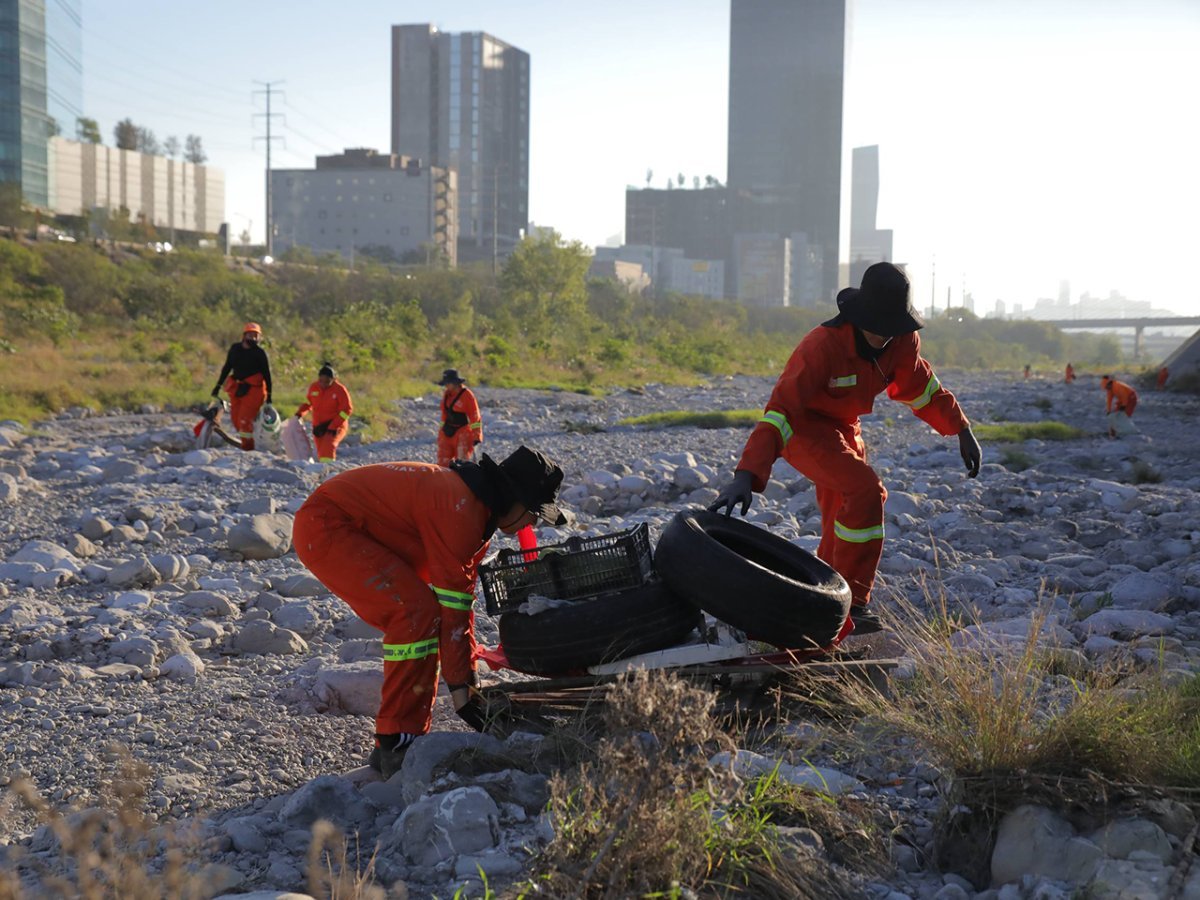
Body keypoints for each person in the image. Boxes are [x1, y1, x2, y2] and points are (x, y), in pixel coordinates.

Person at [710, 262, 981, 637]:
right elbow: (781, 412)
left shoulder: (902, 341)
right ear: (860, 316)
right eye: (878, 326)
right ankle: (853, 606)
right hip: (804, 428)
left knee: (844, 511)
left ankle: (825, 599)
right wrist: (746, 475)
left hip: (845, 427)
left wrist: (960, 427)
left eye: (891, 327)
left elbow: (920, 386)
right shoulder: (820, 346)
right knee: (866, 491)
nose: (884, 336)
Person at [292, 446, 568, 778]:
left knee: (422, 613)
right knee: (414, 614)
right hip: (327, 526)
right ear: (515, 498)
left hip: (347, 525)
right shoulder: (460, 510)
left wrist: (467, 684)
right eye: (535, 512)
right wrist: (464, 694)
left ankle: (400, 736)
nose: (534, 522)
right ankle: (395, 740)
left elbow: (459, 607)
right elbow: (453, 615)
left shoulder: (474, 508)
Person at [211, 322, 273, 451]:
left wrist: (269, 396)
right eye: (251, 335)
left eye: (256, 336)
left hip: (255, 391)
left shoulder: (260, 353)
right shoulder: (235, 349)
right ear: (244, 336)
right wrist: (218, 386)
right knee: (235, 420)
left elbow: (267, 375)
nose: (253, 338)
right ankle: (251, 440)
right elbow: (227, 368)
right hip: (238, 388)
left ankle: (248, 448)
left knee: (245, 420)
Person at [295, 362, 354, 462]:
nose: (323, 384)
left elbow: (347, 410)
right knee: (321, 451)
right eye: (321, 381)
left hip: (336, 426)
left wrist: (334, 426)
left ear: (333, 379)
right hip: (319, 426)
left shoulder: (340, 390)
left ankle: (328, 468)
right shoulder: (314, 387)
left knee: (328, 446)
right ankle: (323, 467)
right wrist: (299, 413)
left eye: (327, 381)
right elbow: (308, 402)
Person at [436, 368, 483, 467]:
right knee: (442, 461)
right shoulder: (447, 395)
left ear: (455, 383)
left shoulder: (467, 395)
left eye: (448, 383)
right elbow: (444, 414)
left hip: (463, 432)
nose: (446, 386)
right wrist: (441, 432)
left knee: (462, 463)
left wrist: (476, 436)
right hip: (447, 432)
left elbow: (475, 416)